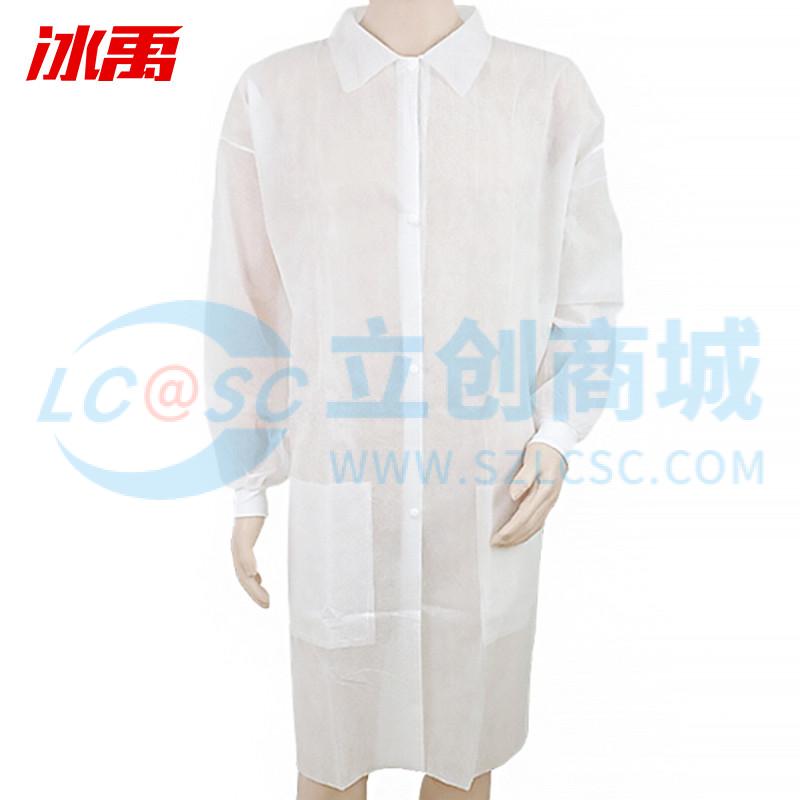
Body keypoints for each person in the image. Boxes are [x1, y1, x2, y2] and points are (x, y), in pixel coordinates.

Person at [207, 2, 623, 798]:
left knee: (463, 754)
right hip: (342, 482)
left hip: (487, 484)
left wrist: (560, 431)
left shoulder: (546, 92)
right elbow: (246, 303)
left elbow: (587, 292)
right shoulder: (275, 94)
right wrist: (247, 478)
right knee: (333, 752)